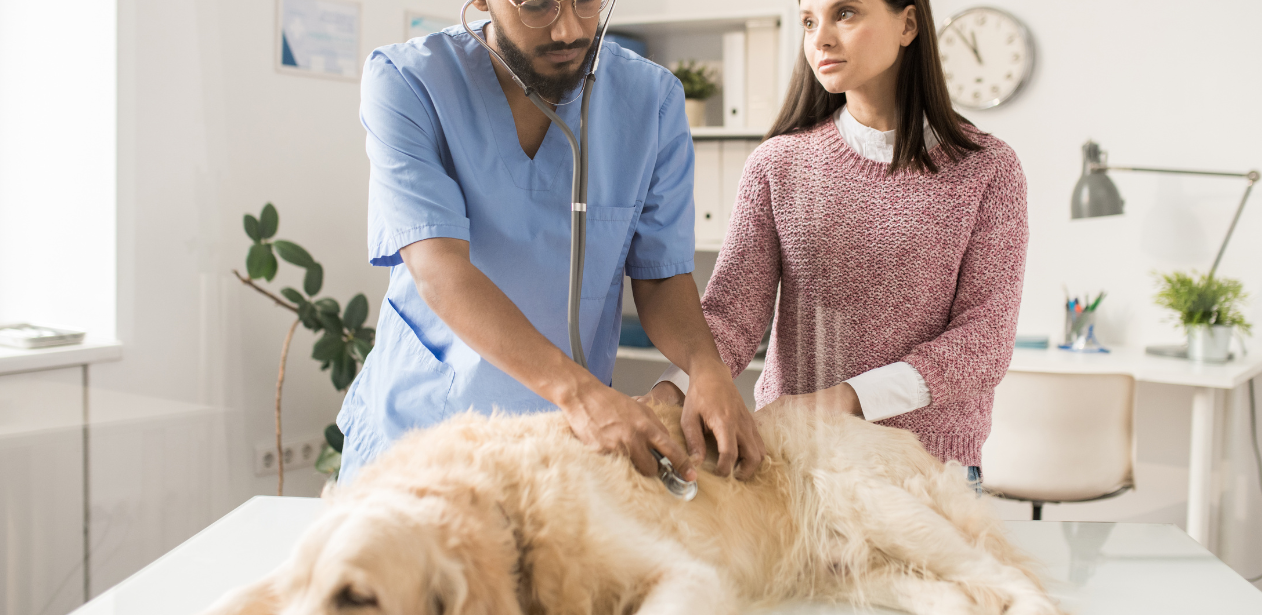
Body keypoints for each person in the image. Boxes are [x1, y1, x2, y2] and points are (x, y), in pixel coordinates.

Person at [335, 0, 765, 485]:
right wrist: (580, 393)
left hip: (565, 446)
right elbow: (441, 270)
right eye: (538, 5)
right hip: (422, 436)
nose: (568, 30)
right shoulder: (410, 82)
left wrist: (705, 366)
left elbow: (661, 276)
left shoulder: (651, 99)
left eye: (587, 2)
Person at [648, 0, 1028, 487]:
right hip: (796, 465)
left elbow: (983, 342)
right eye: (809, 22)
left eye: (844, 13)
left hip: (925, 473)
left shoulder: (987, 170)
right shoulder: (776, 165)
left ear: (908, 24)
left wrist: (844, 399)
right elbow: (731, 319)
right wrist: (671, 390)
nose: (820, 38)